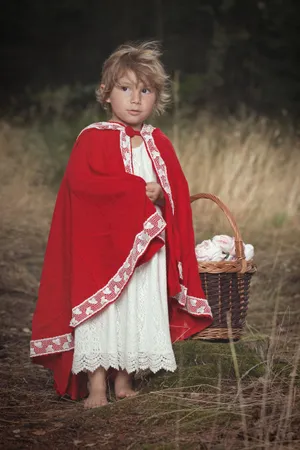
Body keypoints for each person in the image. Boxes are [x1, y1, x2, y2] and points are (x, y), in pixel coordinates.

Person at [30, 41, 213, 408]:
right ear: (106, 94)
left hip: (146, 247)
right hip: (102, 246)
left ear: (156, 97)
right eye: (125, 88)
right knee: (104, 309)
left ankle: (125, 377)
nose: (135, 99)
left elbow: (175, 191)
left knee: (137, 304)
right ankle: (97, 383)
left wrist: (161, 194)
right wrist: (134, 191)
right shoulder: (92, 138)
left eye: (145, 90)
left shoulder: (158, 142)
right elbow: (82, 186)